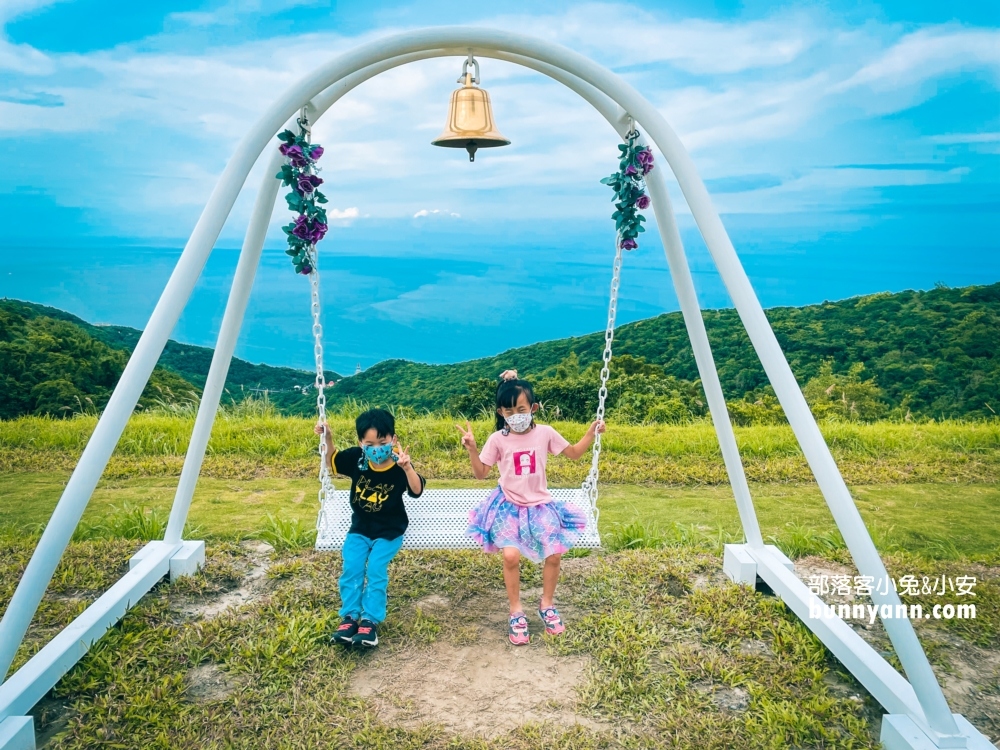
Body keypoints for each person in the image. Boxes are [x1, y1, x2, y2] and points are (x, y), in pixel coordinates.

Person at [457, 370, 605, 645]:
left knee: (554, 554)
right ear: (501, 412)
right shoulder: (497, 439)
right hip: (508, 506)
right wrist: (472, 449)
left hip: (540, 505)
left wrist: (589, 434)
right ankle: (516, 611)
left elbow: (573, 454)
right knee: (510, 557)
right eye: (509, 411)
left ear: (533, 408)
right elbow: (480, 473)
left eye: (521, 409)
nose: (516, 415)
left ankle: (547, 604)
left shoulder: (546, 433)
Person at [315, 408, 424, 648]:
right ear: (361, 443)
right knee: (352, 568)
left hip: (389, 531)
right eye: (370, 443)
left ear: (393, 440)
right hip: (360, 529)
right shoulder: (357, 459)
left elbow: (416, 490)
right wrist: (328, 437)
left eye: (383, 442)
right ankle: (350, 617)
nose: (377, 449)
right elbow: (332, 462)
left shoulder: (398, 465)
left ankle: (370, 622)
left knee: (375, 569)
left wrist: (407, 468)